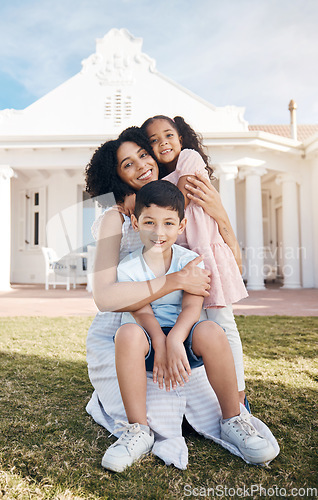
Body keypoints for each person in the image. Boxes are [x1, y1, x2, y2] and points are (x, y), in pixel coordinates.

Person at [85, 127, 279, 470]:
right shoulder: (115, 216)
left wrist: (219, 212)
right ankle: (137, 428)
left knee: (213, 340)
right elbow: (105, 296)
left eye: (144, 155)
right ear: (115, 175)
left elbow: (227, 262)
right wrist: (174, 282)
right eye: (127, 164)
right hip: (132, 322)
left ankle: (235, 416)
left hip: (182, 317)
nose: (141, 166)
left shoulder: (176, 197)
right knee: (147, 372)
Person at [140, 115, 248, 407]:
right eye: (154, 140)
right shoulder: (158, 178)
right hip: (185, 261)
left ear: (181, 139)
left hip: (207, 256)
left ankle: (238, 393)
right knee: (198, 325)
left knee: (223, 324)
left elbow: (181, 197)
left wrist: (149, 201)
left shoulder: (188, 158)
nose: (163, 143)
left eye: (169, 135)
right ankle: (208, 394)